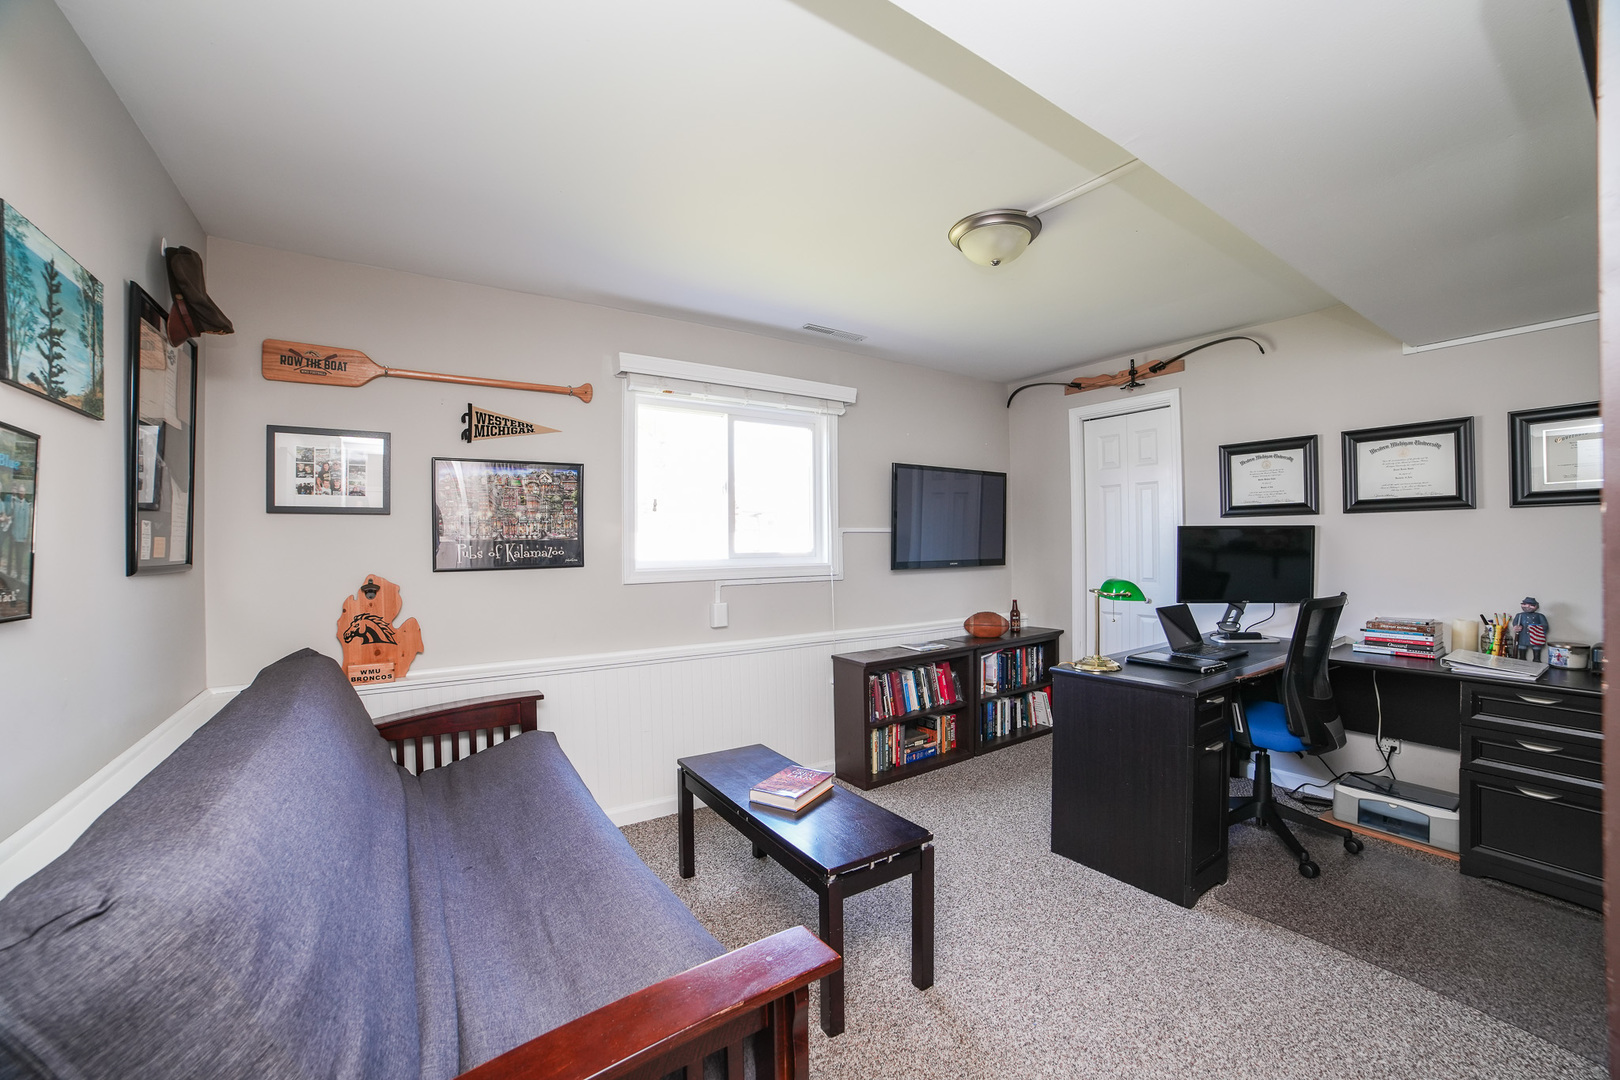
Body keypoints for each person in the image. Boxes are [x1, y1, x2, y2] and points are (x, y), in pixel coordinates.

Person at [1510, 596, 1549, 661]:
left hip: (1536, 637)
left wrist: (1536, 627)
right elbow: (1515, 623)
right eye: (1525, 604)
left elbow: (1545, 626)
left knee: (1537, 655)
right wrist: (1516, 627)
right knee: (1522, 656)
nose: (1527, 606)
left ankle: (1537, 663)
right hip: (1523, 637)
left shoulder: (1540, 616)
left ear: (1536, 606)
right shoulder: (1519, 615)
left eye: (1531, 605)